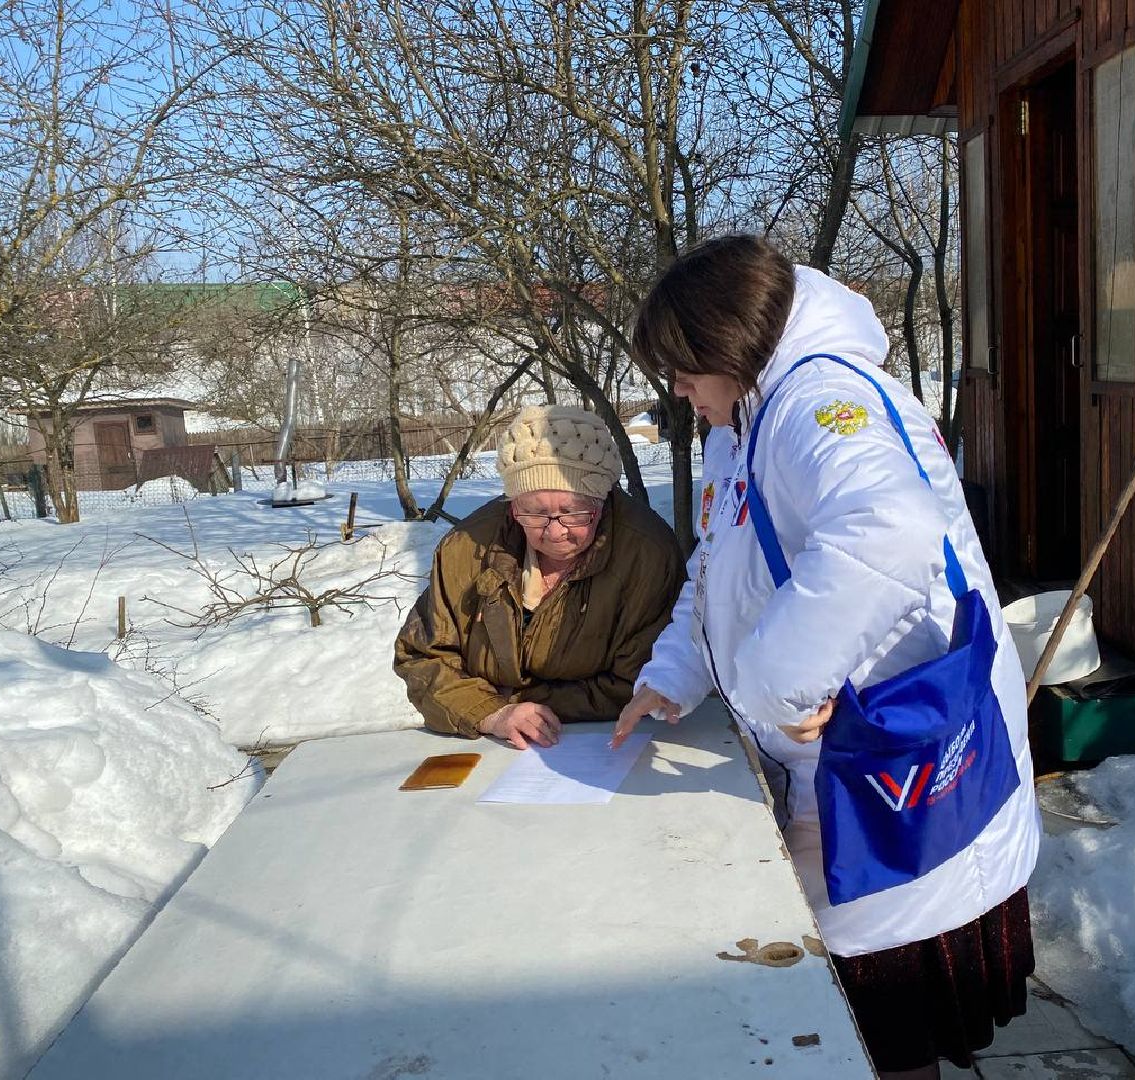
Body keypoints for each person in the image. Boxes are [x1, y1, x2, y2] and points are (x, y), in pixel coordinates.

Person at [613, 236, 1041, 1078]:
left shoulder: (818, 401)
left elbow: (889, 529)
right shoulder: (746, 421)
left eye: (681, 367)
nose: (676, 389)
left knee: (887, 1016)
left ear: (724, 347)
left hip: (891, 756)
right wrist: (674, 674)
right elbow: (720, 564)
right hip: (849, 757)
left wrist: (776, 686)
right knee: (868, 1002)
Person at [395, 405, 685, 749]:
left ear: (602, 501)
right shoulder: (466, 548)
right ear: (512, 505)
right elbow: (422, 657)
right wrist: (491, 712)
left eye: (573, 512)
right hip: (489, 746)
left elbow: (642, 681)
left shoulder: (646, 553)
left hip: (608, 746)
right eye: (534, 512)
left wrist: (517, 702)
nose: (554, 531)